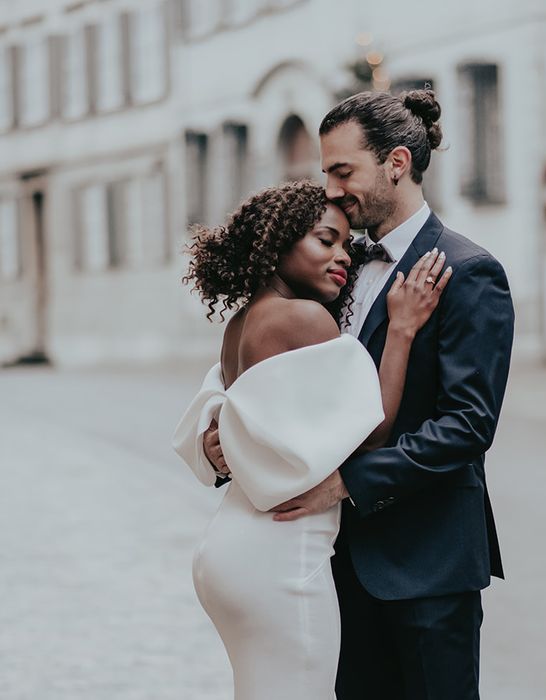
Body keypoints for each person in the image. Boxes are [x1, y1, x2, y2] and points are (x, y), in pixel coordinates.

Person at [238, 89, 516, 699]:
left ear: (395, 163)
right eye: (326, 173)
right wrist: (230, 429)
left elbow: (468, 425)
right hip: (336, 564)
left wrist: (347, 483)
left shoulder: (468, 272)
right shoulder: (339, 268)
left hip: (428, 565)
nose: (332, 190)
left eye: (343, 171)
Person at [172, 179, 451, 699]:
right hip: (282, 554)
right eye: (326, 240)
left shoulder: (241, 323)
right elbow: (372, 428)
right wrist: (403, 329)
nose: (342, 256)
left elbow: (233, 422)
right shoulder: (301, 318)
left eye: (346, 243)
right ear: (279, 244)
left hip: (233, 546)